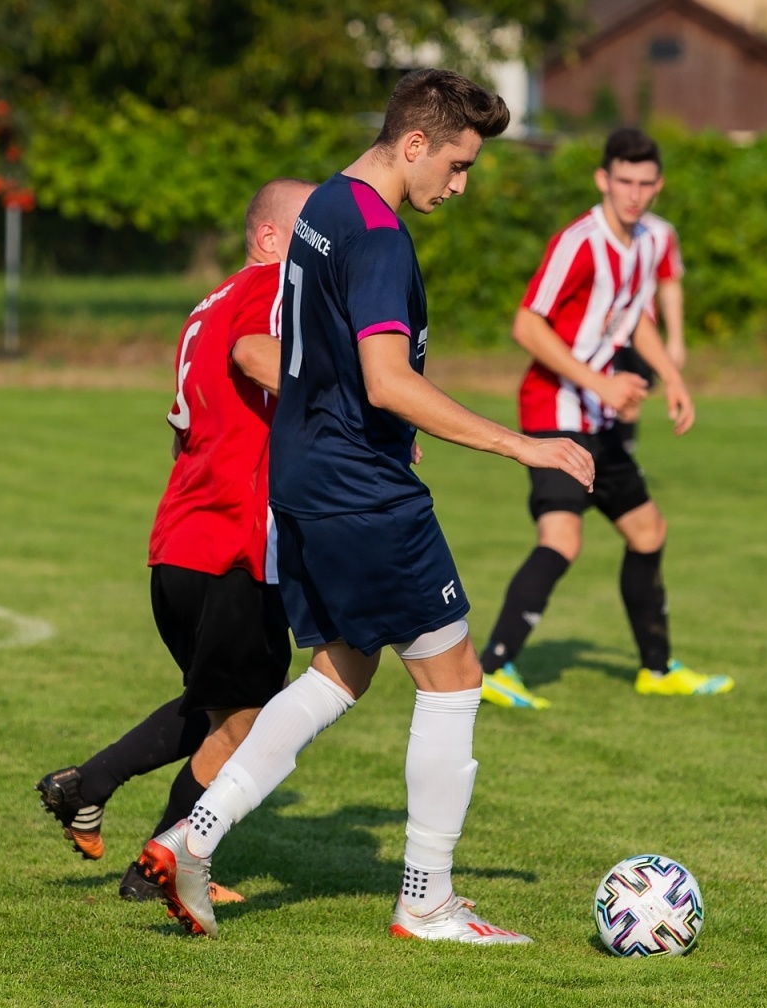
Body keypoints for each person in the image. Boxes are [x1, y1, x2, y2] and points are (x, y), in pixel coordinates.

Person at [136, 69, 594, 942]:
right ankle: (426, 900)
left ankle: (192, 836)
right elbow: (389, 381)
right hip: (363, 489)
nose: (458, 186)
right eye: (456, 165)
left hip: (301, 479)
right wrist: (520, 442)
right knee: (456, 681)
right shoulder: (379, 236)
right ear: (414, 143)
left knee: (342, 672)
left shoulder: (323, 209)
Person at [36, 179, 315, 897]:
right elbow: (258, 358)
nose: (325, 242)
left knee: (224, 707)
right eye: (312, 228)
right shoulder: (271, 285)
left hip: (179, 545)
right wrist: (346, 403)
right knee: (247, 723)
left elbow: (183, 425)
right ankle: (162, 864)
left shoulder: (206, 305)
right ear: (269, 237)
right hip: (234, 545)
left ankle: (95, 793)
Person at [476, 128, 733, 710]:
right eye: (624, 181)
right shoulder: (579, 241)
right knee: (562, 538)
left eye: (645, 184)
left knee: (648, 532)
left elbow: (633, 319)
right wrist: (601, 383)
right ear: (603, 180)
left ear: (658, 185)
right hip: (555, 411)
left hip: (600, 418)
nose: (634, 194)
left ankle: (657, 669)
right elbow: (527, 326)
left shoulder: (647, 241)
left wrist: (672, 377)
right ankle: (494, 665)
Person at [610, 206, 686, 454]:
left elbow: (669, 285)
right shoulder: (597, 229)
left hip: (639, 334)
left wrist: (675, 339)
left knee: (630, 400)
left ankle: (622, 462)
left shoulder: (661, 233)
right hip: (600, 333)